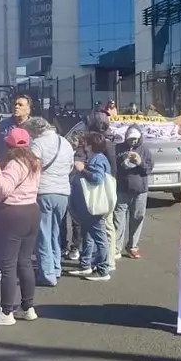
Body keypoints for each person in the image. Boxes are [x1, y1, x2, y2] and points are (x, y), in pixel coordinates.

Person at [0, 128, 42, 326]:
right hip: (32, 211)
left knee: (8, 265)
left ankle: (6, 311)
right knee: (25, 261)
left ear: (9, 145)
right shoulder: (35, 162)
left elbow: (4, 189)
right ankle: (28, 307)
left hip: (13, 214)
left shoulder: (14, 164)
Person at [26, 117, 73, 286]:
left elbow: (33, 166)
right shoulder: (65, 142)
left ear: (35, 131)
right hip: (63, 192)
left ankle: (47, 274)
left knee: (43, 234)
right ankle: (56, 266)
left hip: (44, 191)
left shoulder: (37, 143)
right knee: (55, 232)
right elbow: (70, 166)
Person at [68, 131, 114, 281]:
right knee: (87, 236)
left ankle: (102, 269)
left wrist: (83, 169)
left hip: (94, 207)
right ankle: (86, 264)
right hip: (88, 209)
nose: (83, 145)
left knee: (100, 238)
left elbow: (97, 178)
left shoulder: (98, 159)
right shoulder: (96, 158)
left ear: (90, 145)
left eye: (86, 143)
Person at [114, 126, 154, 259]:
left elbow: (148, 169)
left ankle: (133, 246)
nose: (133, 142)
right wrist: (122, 158)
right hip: (122, 189)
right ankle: (116, 248)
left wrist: (140, 162)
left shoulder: (145, 150)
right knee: (118, 219)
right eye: (130, 139)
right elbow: (114, 165)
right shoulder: (119, 148)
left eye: (135, 139)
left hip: (140, 191)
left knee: (137, 218)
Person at [0, 95, 33, 162]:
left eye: (20, 105)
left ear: (28, 109)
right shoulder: (3, 125)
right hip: (5, 166)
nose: (16, 107)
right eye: (15, 104)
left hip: (27, 167)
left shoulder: (35, 127)